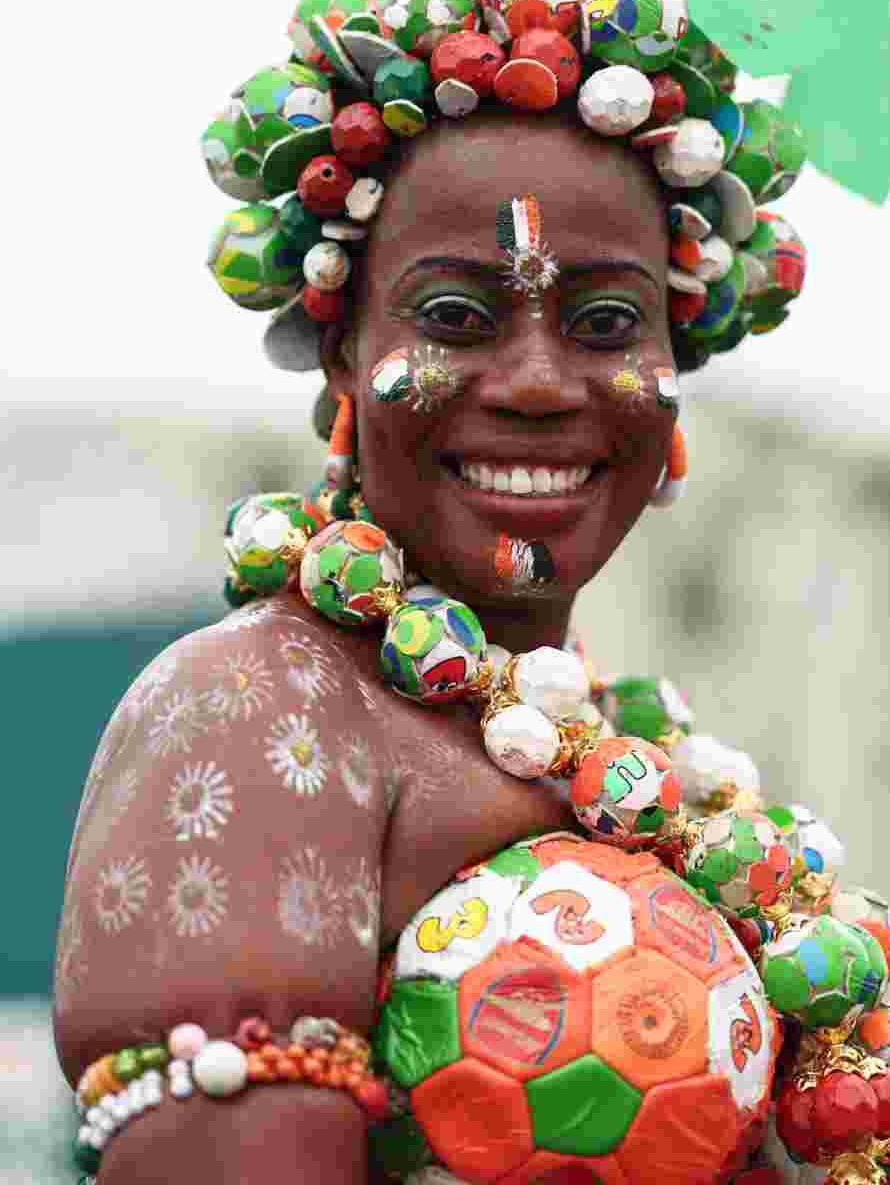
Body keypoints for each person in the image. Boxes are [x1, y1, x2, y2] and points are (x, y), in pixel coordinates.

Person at [52, 106, 716, 1181]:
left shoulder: (628, 750)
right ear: (344, 357)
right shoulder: (262, 710)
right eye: (454, 315)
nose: (539, 383)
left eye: (605, 324)